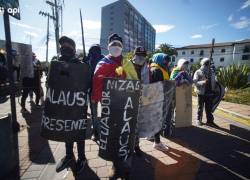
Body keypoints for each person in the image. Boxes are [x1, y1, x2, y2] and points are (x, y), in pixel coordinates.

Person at [92, 33, 129, 180]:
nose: (116, 47)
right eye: (113, 44)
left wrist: (124, 73)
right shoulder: (102, 62)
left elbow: (134, 80)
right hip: (109, 106)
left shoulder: (127, 62)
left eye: (119, 45)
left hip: (126, 104)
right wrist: (112, 71)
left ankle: (125, 163)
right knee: (113, 134)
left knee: (125, 133)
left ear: (122, 47)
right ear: (108, 47)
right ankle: (115, 165)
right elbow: (97, 80)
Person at [55, 36, 90, 174]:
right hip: (64, 106)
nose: (64, 48)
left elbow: (87, 84)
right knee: (66, 131)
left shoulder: (81, 65)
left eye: (68, 46)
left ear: (73, 49)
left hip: (78, 107)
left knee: (78, 133)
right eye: (62, 46)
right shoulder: (57, 64)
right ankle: (69, 156)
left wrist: (85, 69)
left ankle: (82, 158)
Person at [122, 46, 150, 157]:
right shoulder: (126, 64)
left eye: (143, 56)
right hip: (126, 99)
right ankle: (125, 146)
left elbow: (147, 83)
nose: (141, 58)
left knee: (137, 125)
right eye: (139, 55)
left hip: (139, 100)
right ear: (134, 55)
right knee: (126, 123)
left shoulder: (145, 67)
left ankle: (136, 146)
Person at [149, 53, 171, 152]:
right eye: (165, 60)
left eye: (167, 60)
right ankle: (157, 143)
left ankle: (151, 136)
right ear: (158, 60)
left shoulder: (156, 68)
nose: (167, 62)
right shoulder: (157, 70)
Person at [85, 44, 104, 142]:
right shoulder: (87, 60)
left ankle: (98, 131)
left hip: (102, 91)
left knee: (96, 113)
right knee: (94, 114)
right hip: (92, 91)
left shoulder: (104, 60)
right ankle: (95, 131)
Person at [193, 57, 215, 126]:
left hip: (210, 93)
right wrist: (203, 82)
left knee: (209, 108)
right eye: (206, 63)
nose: (208, 65)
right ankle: (198, 120)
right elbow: (195, 82)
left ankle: (210, 121)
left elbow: (214, 81)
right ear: (203, 64)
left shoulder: (211, 72)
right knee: (200, 107)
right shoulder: (198, 72)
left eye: (209, 63)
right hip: (201, 93)